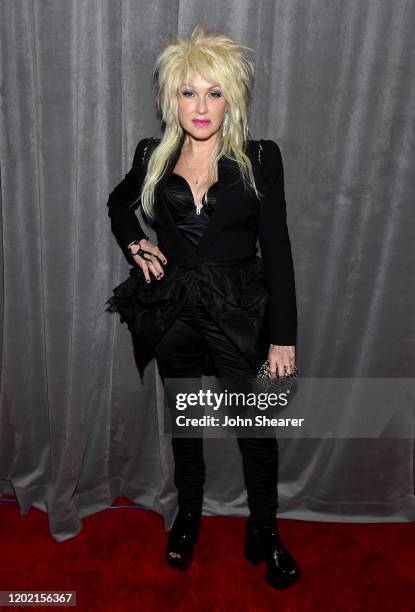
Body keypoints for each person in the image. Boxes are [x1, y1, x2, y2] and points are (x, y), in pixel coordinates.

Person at [106, 24, 300, 590]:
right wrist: (134, 244)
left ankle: (264, 530)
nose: (201, 105)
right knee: (185, 424)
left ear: (232, 98)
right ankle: (188, 515)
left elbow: (279, 252)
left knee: (254, 429)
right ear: (171, 96)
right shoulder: (153, 154)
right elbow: (119, 205)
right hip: (173, 311)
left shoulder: (260, 158)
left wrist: (283, 337)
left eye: (214, 92)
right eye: (189, 91)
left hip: (240, 311)